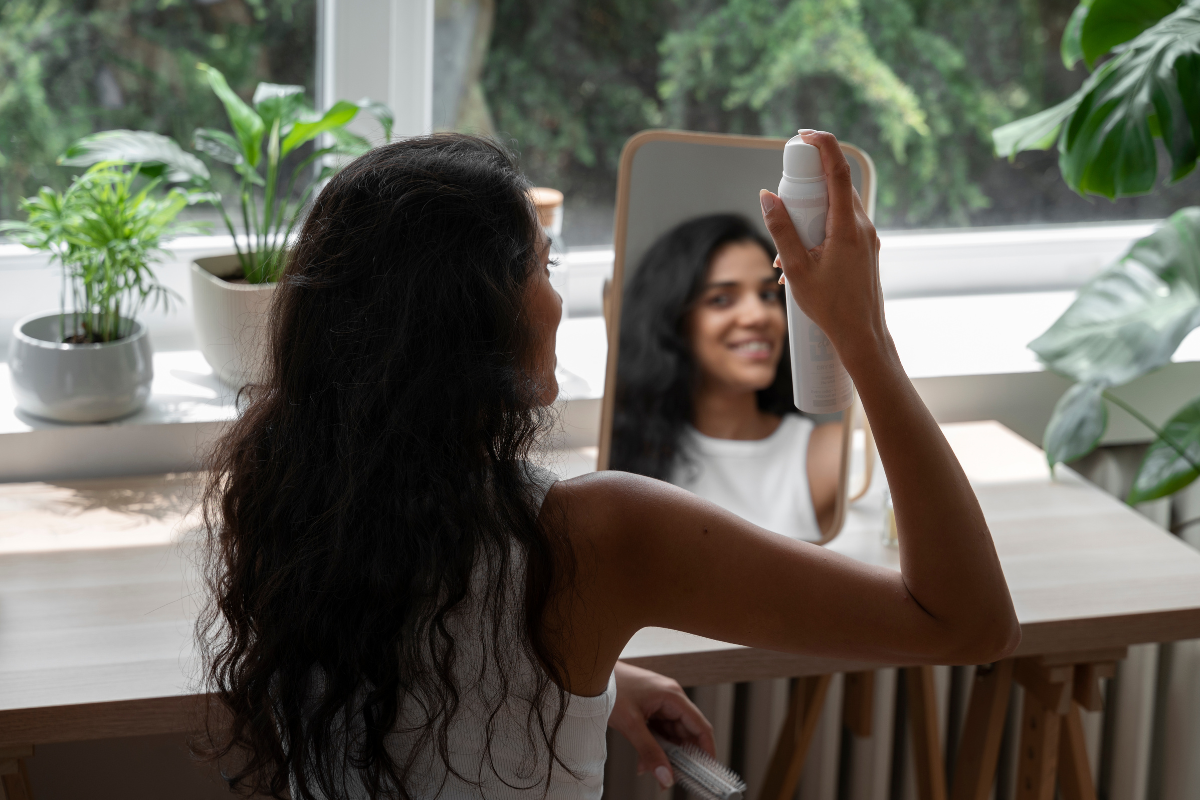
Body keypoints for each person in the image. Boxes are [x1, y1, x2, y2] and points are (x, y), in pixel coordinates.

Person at [198, 131, 1020, 800]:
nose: (558, 298)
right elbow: (969, 623)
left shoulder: (289, 497)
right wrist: (862, 336)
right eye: (542, 267)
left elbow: (433, 661)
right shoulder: (600, 535)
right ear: (473, 320)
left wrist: (593, 679)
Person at [611, 214, 842, 539]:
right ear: (674, 321)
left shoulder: (825, 454)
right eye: (721, 299)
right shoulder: (623, 459)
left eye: (768, 295)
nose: (758, 316)